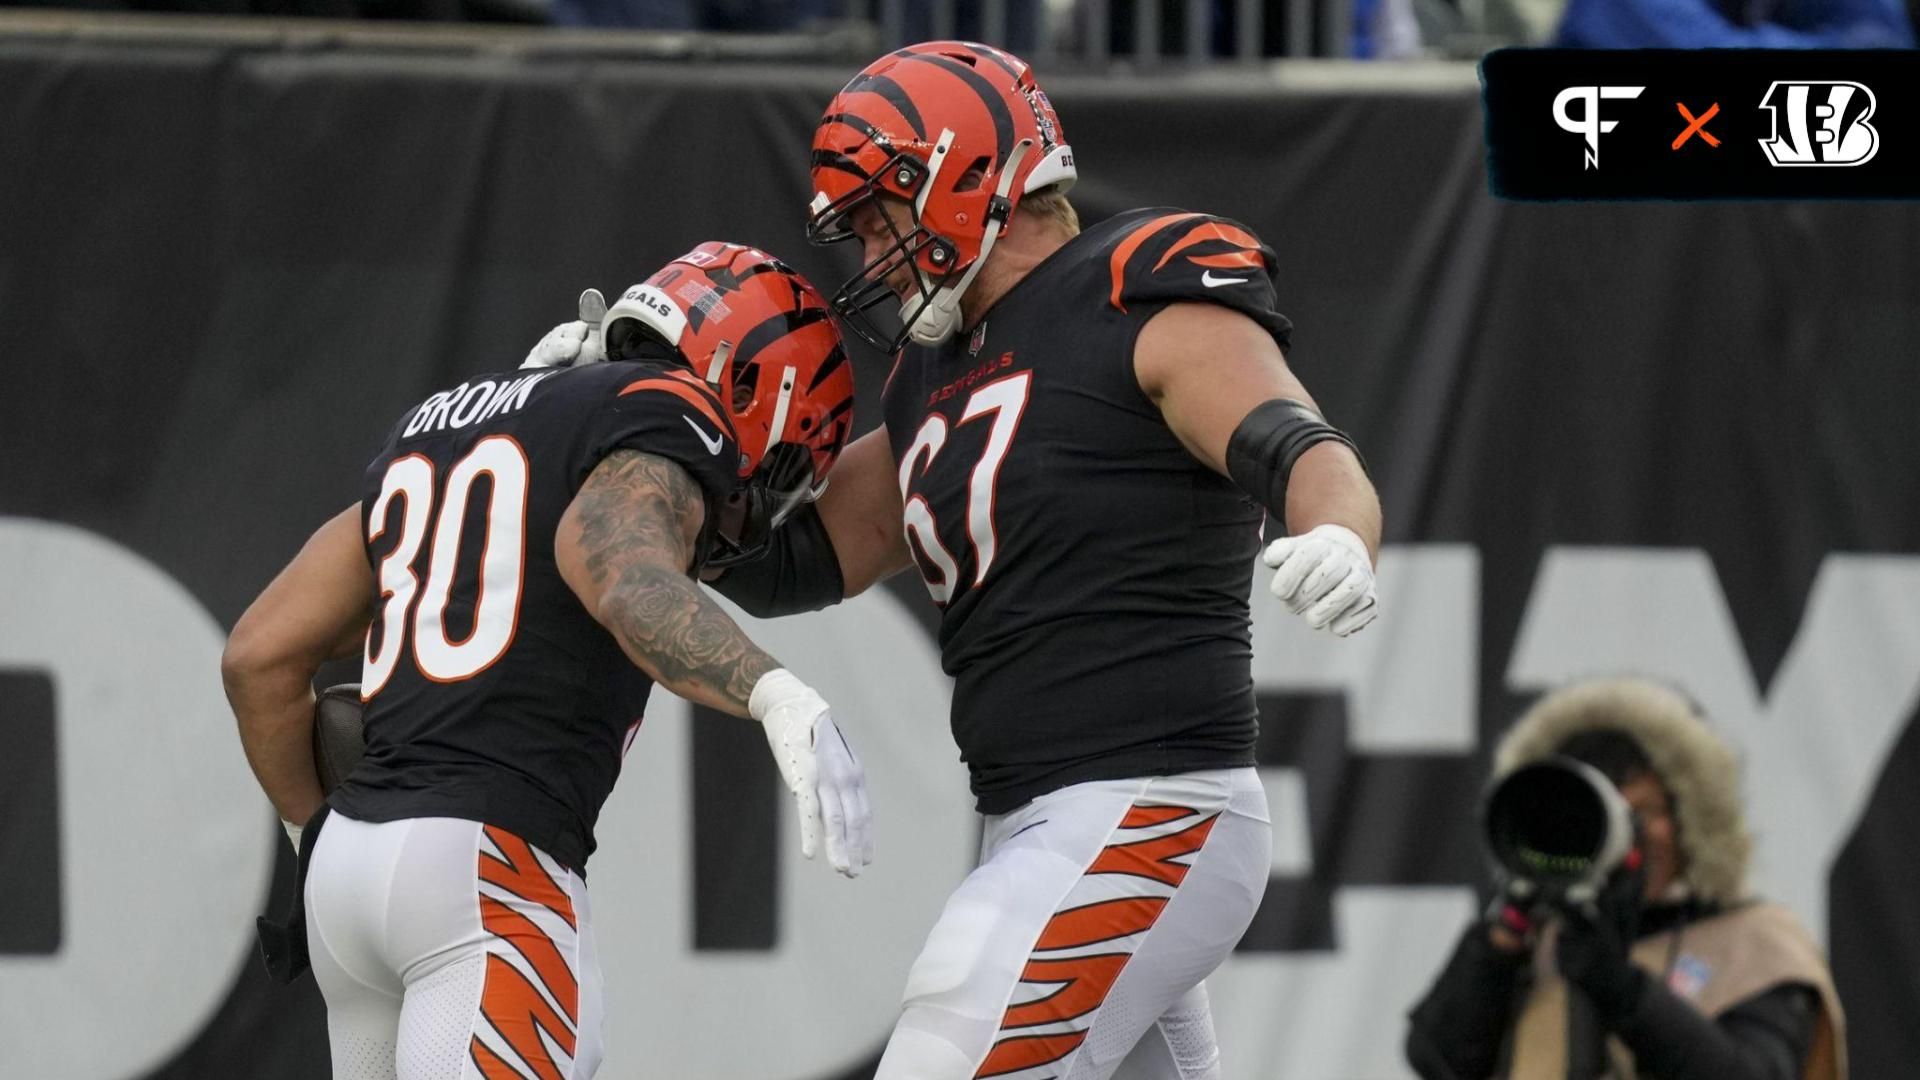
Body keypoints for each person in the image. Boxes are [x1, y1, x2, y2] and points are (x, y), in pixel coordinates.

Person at [731, 40, 1381, 1080]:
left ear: (962, 175)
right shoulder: (928, 373)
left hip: (1151, 806)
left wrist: (1339, 531)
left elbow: (1299, 445)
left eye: (875, 214)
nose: (864, 254)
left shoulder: (1130, 291)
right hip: (1041, 821)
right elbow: (794, 561)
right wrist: (633, 441)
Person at [220, 242, 868, 1080]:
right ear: (750, 389)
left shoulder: (446, 417)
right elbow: (624, 577)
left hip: (350, 873)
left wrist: (315, 840)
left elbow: (260, 655)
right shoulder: (662, 408)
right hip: (483, 873)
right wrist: (773, 691)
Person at [1405, 678, 1847, 1080]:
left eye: (1644, 812)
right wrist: (1506, 933)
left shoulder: (1757, 943)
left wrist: (1624, 990)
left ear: (1690, 818)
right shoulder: (1538, 942)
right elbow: (1439, 1061)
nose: (1628, 839)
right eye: (1600, 817)